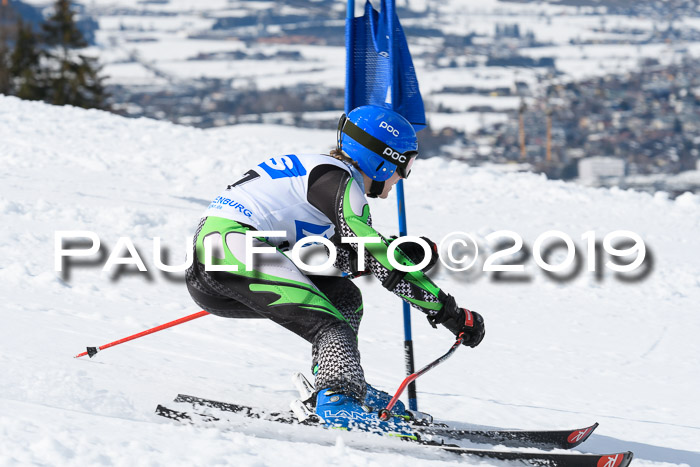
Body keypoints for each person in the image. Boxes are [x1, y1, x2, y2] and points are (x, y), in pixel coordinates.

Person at [185, 104, 485, 438]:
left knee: (343, 298)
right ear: (382, 160)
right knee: (329, 326)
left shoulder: (325, 177)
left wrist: (399, 252)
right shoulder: (339, 182)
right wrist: (450, 313)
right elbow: (379, 263)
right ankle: (338, 403)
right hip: (230, 250)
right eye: (406, 165)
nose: (403, 177)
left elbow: (340, 259)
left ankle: (340, 382)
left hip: (216, 257)